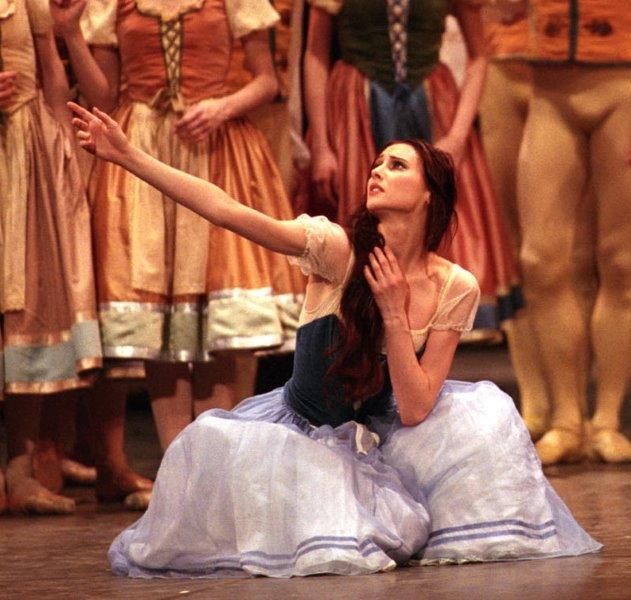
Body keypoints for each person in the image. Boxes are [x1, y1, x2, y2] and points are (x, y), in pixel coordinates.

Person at [68, 103, 601, 577]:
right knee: (337, 541)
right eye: (376, 163)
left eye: (396, 166)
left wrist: (394, 313)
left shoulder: (454, 286)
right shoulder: (336, 250)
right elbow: (228, 212)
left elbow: (415, 408)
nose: (377, 172)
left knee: (485, 422)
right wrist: (128, 156)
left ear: (431, 194)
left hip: (385, 433)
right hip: (303, 437)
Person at [50, 0, 305, 474]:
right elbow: (103, 95)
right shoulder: (117, 4)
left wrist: (221, 106)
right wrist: (70, 33)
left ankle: (217, 466)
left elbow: (268, 80)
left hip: (213, 147)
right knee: (160, 324)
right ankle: (180, 470)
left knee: (216, 323)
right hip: (141, 150)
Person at [296, 0, 521, 341]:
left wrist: (458, 135)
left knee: (437, 217)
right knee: (359, 232)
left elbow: (479, 56)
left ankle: (422, 349)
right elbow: (315, 56)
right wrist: (323, 145)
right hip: (356, 108)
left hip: (431, 105)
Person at [514, 0, 631, 464]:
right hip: (547, 90)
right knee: (539, 260)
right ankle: (567, 419)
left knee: (622, 262)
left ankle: (606, 419)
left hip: (624, 85)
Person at [0, 0, 104, 514]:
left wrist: (63, 147)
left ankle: (18, 476)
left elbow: (51, 79)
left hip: (22, 150)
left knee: (26, 309)